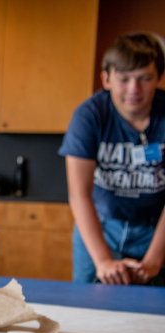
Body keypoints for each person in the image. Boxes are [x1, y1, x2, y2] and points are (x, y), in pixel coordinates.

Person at [59, 32, 165, 285]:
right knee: (88, 309)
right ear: (106, 79)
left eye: (144, 78)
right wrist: (103, 261)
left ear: (159, 78)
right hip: (101, 227)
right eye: (124, 78)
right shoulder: (89, 116)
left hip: (156, 228)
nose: (133, 89)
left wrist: (155, 258)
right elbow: (79, 194)